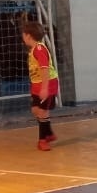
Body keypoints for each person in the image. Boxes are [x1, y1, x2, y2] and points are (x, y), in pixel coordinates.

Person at [22, 19, 58, 151]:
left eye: (23, 34)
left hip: (47, 83)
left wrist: (44, 88)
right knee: (35, 110)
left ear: (28, 36)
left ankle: (43, 140)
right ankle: (49, 133)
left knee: (42, 111)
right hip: (37, 84)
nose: (22, 37)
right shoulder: (33, 49)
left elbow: (45, 69)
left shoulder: (39, 49)